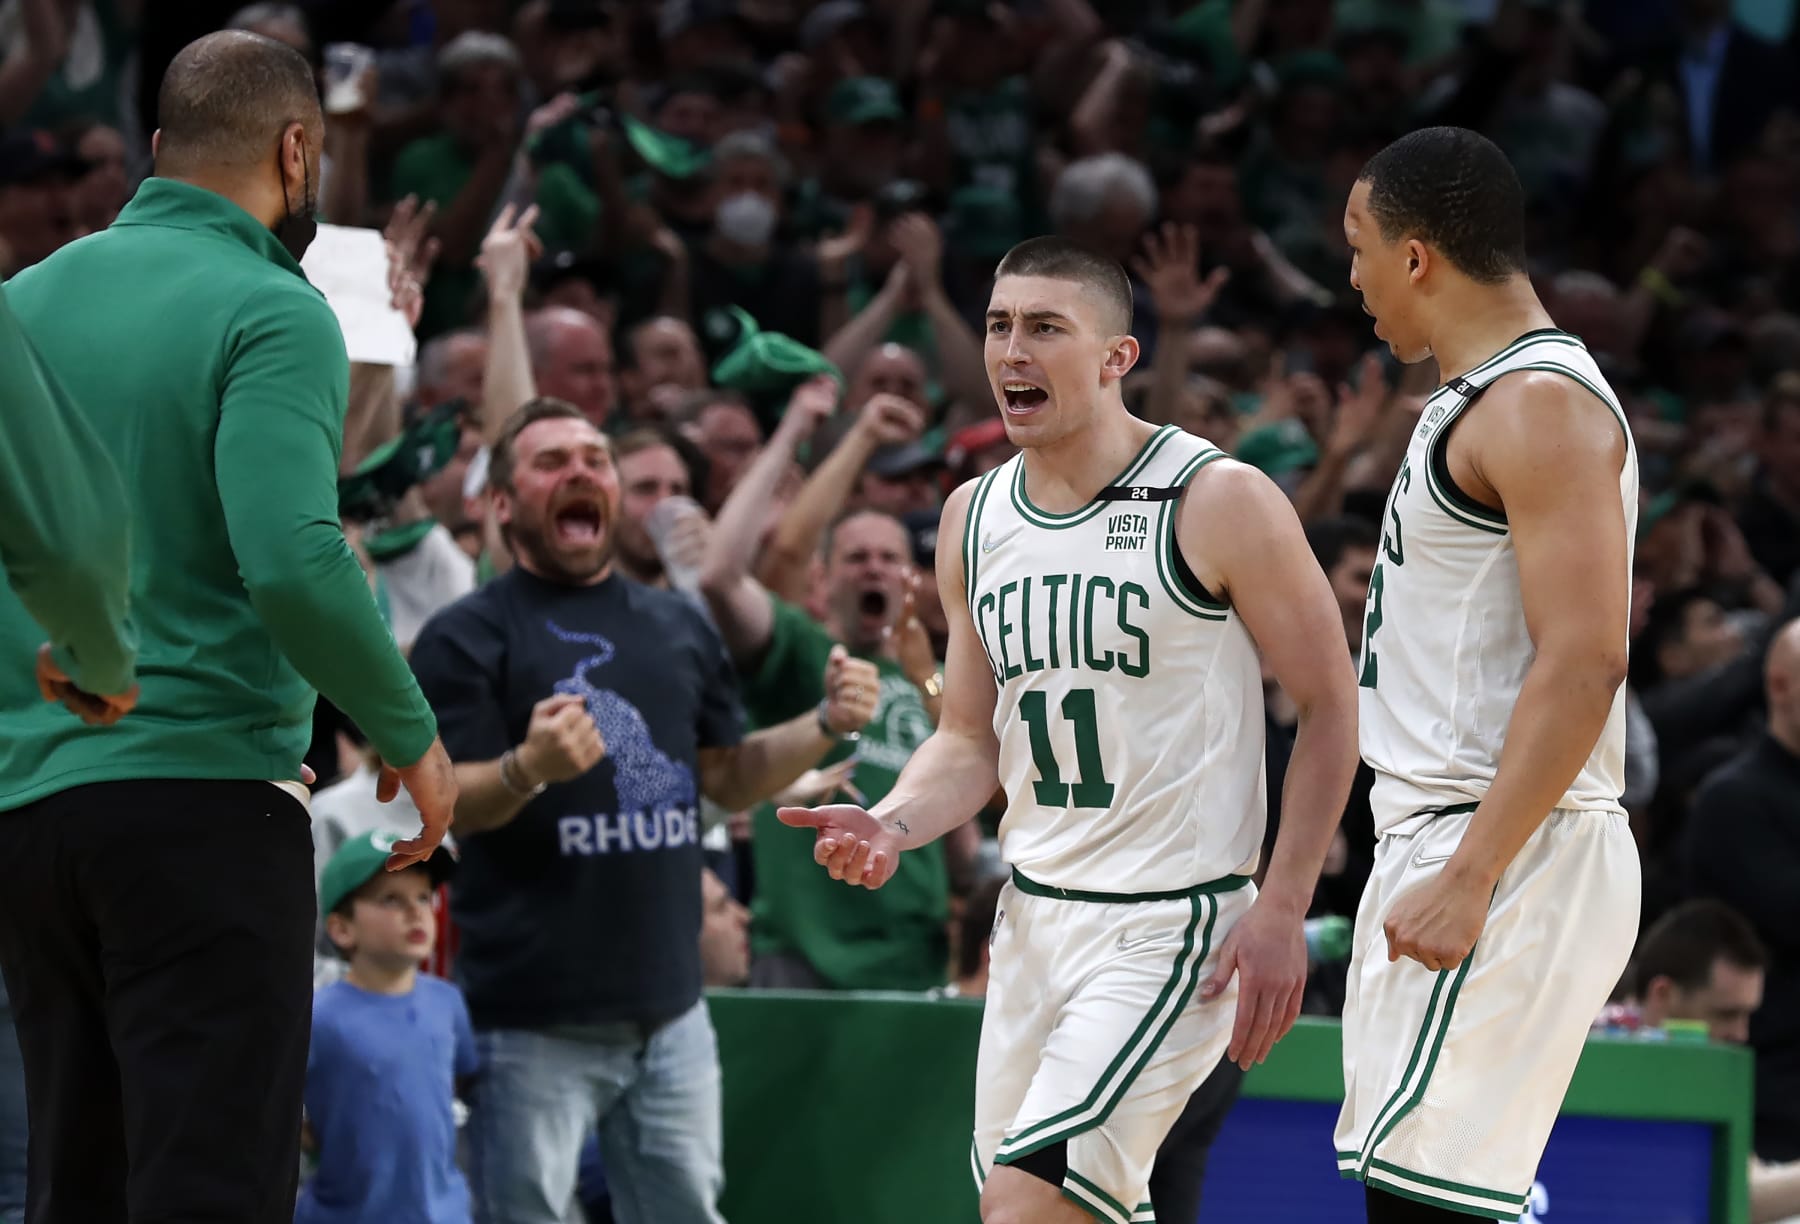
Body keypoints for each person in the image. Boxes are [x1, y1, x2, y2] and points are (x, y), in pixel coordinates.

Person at [779, 235, 1360, 1224]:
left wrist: (1282, 905)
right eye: (1001, 326)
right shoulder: (972, 516)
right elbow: (968, 739)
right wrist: (894, 822)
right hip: (1033, 920)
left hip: (1172, 927)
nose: (1012, 352)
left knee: (1025, 1210)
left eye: (1046, 327)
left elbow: (1331, 701)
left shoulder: (1215, 499)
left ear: (1115, 357)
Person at [0, 31, 457, 1224]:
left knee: (76, 1189)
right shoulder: (272, 305)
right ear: (299, 152)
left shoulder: (19, 306)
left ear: (157, 151)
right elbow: (294, 563)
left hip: (30, 818)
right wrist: (413, 738)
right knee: (209, 1189)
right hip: (203, 800)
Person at [407, 398, 880, 1224]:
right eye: (551, 461)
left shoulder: (676, 628)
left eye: (595, 458)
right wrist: (526, 768)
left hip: (672, 1012)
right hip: (530, 1021)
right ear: (503, 504)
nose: (581, 472)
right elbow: (450, 808)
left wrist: (825, 724)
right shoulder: (466, 636)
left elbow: (724, 780)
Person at [1333, 127, 1641, 1223]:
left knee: (1429, 1211)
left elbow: (1589, 655)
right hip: (1461, 831)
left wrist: (1472, 872)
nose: (1353, 273)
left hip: (1502, 841)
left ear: (1418, 257)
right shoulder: (1480, 399)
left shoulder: (1536, 404)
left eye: (1360, 245)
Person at [300, 831, 474, 1224]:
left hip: (446, 1212)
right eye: (390, 899)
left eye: (423, 897)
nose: (416, 913)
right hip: (347, 1214)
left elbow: (460, 1081)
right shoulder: (319, 1016)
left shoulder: (447, 1001)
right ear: (342, 929)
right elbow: (279, 1105)